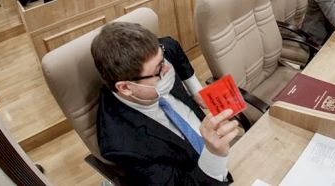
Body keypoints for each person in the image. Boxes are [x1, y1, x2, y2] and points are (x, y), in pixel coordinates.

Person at [91, 22, 237, 185]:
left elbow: (171, 46)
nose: (168, 69)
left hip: (223, 151)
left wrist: (195, 89)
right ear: (126, 88)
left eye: (163, 59)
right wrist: (214, 154)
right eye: (158, 70)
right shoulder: (125, 147)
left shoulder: (155, 58)